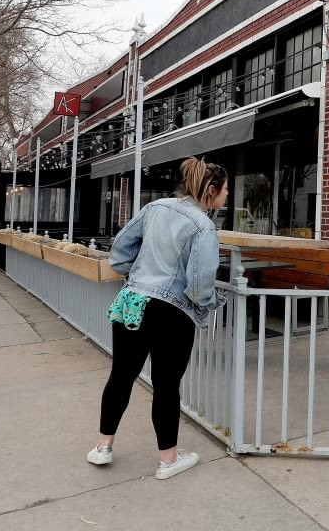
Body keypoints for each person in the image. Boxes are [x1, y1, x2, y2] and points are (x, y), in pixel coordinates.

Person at [87, 157, 229, 480]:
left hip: (132, 302)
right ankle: (168, 461)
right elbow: (198, 285)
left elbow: (121, 250)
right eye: (225, 190)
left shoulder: (155, 208)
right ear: (211, 191)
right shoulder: (203, 227)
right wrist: (211, 303)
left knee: (120, 376)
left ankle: (102, 447)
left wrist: (137, 276)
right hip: (171, 313)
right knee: (166, 385)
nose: (227, 196)